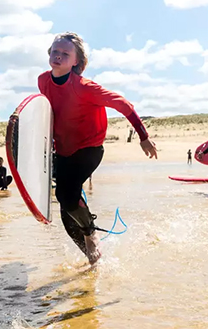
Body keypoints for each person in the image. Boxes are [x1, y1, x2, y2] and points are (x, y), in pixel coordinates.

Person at [39, 32, 158, 265]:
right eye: (55, 51)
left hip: (89, 148)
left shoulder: (85, 87)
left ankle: (91, 233)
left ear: (76, 61)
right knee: (66, 211)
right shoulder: (43, 81)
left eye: (65, 53)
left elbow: (124, 105)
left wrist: (143, 136)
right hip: (62, 150)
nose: (58, 56)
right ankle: (93, 260)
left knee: (67, 195)